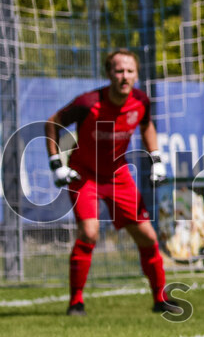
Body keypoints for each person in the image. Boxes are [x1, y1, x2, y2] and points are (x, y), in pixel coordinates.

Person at [44, 49, 180, 316]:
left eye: (130, 71)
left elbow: (147, 125)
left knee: (147, 236)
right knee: (90, 232)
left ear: (136, 75)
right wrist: (56, 164)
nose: (124, 76)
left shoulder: (141, 100)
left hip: (118, 175)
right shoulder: (87, 103)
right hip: (84, 174)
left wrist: (157, 159)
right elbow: (52, 123)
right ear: (109, 74)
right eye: (119, 71)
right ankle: (76, 303)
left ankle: (160, 300)